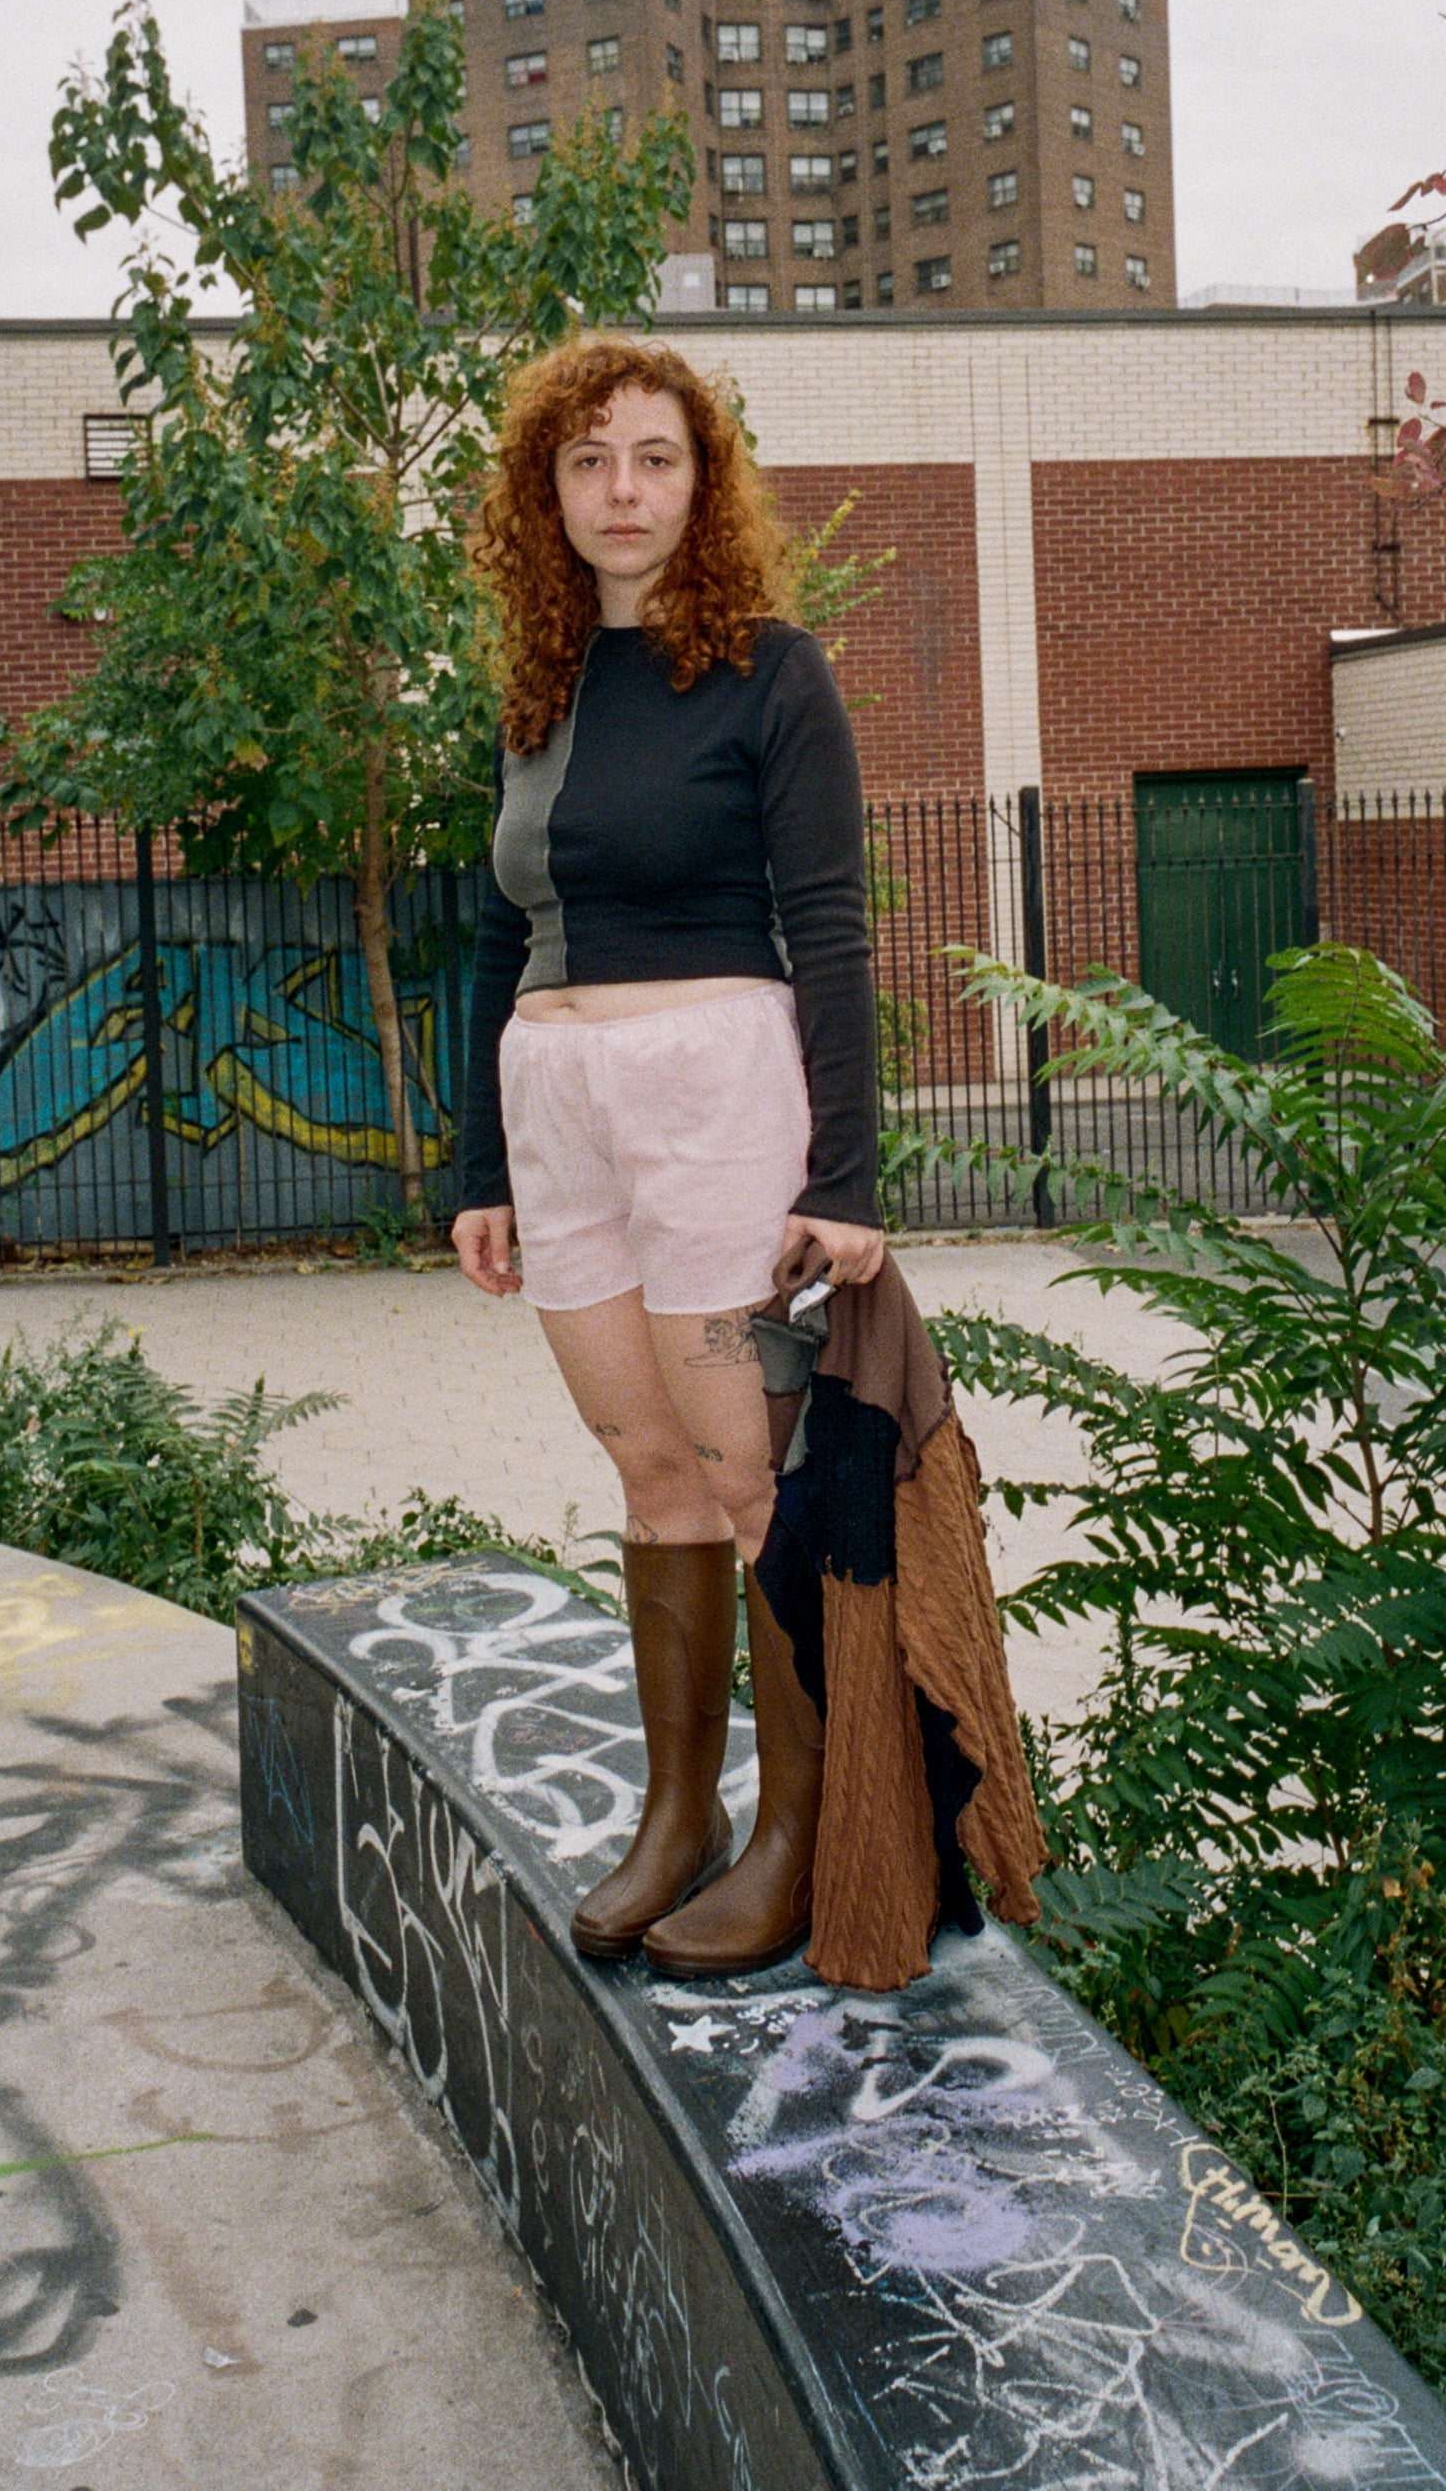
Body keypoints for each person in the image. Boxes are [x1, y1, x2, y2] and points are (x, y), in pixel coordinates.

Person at [452, 330, 882, 1977]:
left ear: (703, 485)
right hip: (557, 1106)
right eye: (587, 460)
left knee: (750, 1473)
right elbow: (497, 935)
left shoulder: (773, 672)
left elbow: (830, 928)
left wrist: (844, 1182)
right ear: (545, 493)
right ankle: (680, 1815)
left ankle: (797, 1837)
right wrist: (480, 1166)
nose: (620, 489)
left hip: (716, 1093)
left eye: (654, 457)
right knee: (650, 1469)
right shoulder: (538, 691)